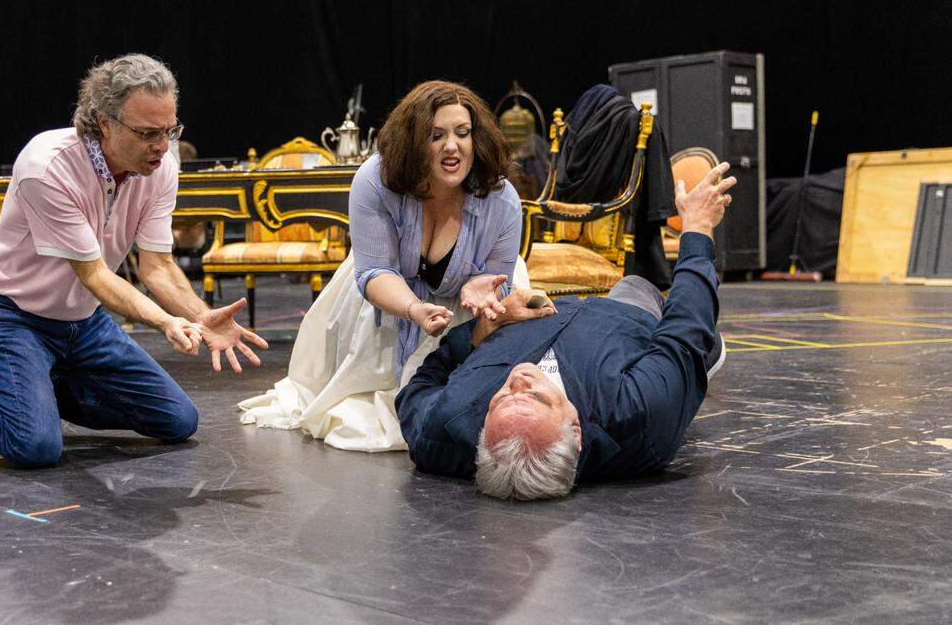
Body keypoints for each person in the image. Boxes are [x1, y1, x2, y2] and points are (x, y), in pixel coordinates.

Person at [0, 54, 268, 467]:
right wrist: (165, 322)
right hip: (12, 314)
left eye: (170, 130)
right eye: (147, 133)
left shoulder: (161, 168)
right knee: (35, 447)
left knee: (177, 420)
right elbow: (95, 276)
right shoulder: (48, 166)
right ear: (105, 123)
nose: (162, 145)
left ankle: (36, 397)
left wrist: (201, 315)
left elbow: (156, 265)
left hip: (83, 323)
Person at [396, 162, 736, 498]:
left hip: (530, 317)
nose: (518, 380)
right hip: (623, 317)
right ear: (576, 430)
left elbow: (422, 383)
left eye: (499, 401)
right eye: (537, 397)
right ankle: (692, 371)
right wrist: (698, 227)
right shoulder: (638, 416)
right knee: (641, 290)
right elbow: (685, 329)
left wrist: (486, 328)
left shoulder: (440, 430)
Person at [239, 80, 528, 451]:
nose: (452, 146)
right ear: (413, 141)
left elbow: (496, 277)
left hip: (464, 311)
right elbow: (374, 271)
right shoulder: (376, 179)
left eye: (463, 133)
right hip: (384, 300)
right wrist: (414, 308)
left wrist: (478, 284)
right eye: (435, 135)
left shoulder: (501, 199)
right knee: (360, 407)